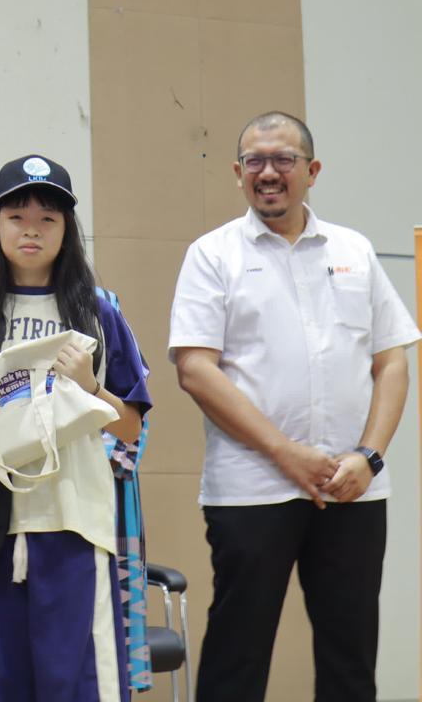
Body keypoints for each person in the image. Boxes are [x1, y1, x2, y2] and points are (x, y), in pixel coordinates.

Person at [168, 111, 420, 702]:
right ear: (237, 173)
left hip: (352, 487)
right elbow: (195, 370)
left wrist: (369, 456)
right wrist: (285, 453)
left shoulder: (354, 250)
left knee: (350, 658)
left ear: (312, 170)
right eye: (254, 161)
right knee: (237, 655)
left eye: (283, 159)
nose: (268, 173)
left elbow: (392, 361)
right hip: (252, 488)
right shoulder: (212, 255)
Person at [0, 154, 150, 701]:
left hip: (74, 525)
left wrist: (91, 386)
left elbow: (130, 428)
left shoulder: (98, 312)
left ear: (66, 230)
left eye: (47, 218)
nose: (31, 229)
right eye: (17, 216)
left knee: (75, 686)